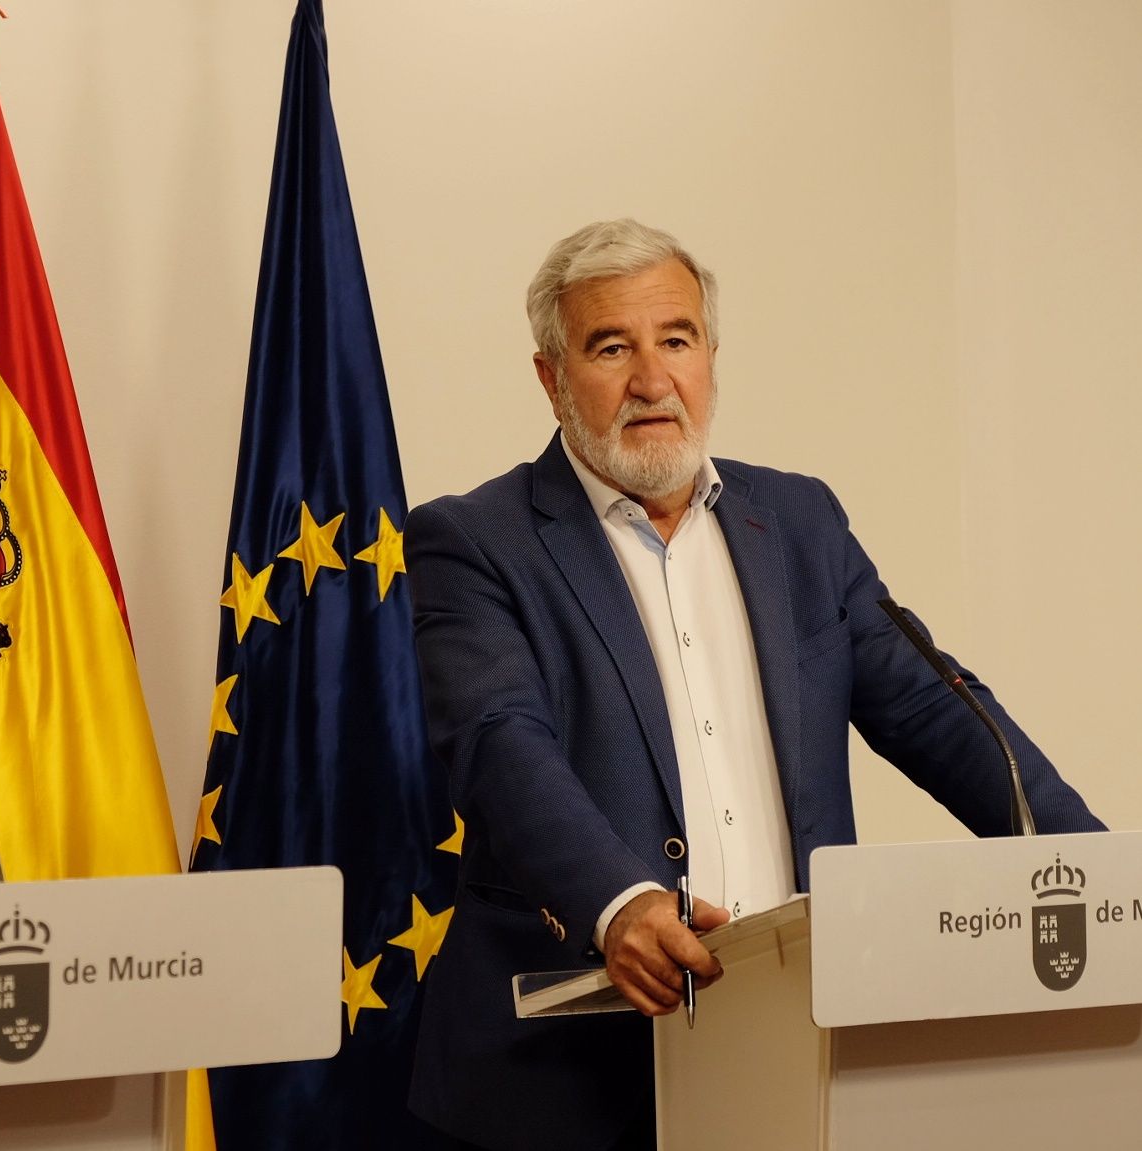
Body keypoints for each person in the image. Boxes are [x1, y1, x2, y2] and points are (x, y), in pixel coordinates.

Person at [402, 219, 1102, 1150]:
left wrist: (1091, 875)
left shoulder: (799, 522)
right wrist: (617, 901)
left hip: (796, 1048)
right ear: (551, 377)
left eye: (676, 341)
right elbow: (499, 743)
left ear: (712, 358)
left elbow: (934, 709)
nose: (653, 381)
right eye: (612, 347)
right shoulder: (473, 541)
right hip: (565, 1079)